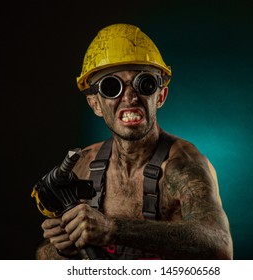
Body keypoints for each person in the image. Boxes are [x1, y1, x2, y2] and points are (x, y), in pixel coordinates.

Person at [35, 23, 233, 260]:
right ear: (95, 104)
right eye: (111, 87)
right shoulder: (84, 166)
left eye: (144, 84)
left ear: (160, 96)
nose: (129, 97)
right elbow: (45, 258)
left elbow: (220, 246)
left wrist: (113, 229)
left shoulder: (183, 165)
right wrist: (62, 249)